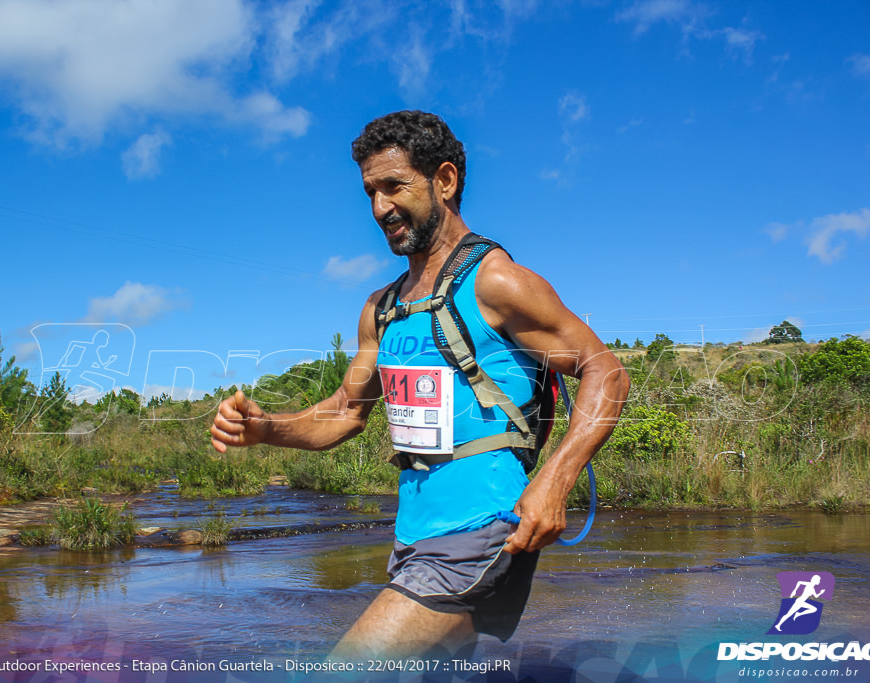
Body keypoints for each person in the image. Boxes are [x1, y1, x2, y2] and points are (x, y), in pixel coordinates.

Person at [210, 110, 629, 659]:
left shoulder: (496, 281)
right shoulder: (380, 309)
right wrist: (268, 429)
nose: (380, 208)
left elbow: (608, 372)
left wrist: (554, 481)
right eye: (369, 192)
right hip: (414, 539)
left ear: (446, 181)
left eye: (394, 186)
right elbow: (344, 411)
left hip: (485, 526)